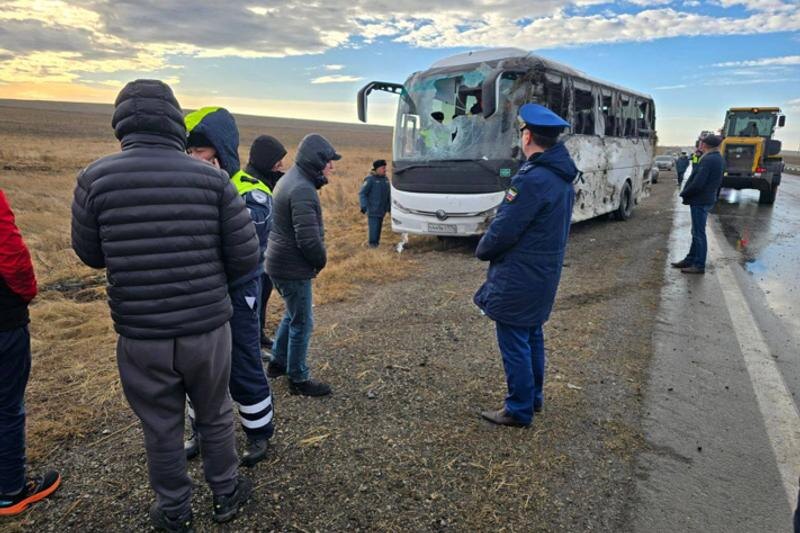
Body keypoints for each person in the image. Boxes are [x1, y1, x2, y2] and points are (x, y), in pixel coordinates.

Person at [71, 80, 256, 531]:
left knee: (160, 425)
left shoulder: (95, 178)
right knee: (214, 412)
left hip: (141, 333)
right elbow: (246, 256)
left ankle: (174, 509)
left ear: (121, 124)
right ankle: (226, 492)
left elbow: (90, 255)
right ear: (175, 121)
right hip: (207, 327)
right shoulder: (213, 179)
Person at [182, 107, 276, 468]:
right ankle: (200, 431)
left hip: (238, 293)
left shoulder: (252, 191)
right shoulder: (185, 187)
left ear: (220, 149)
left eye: (200, 150)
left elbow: (243, 248)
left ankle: (259, 431)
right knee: (197, 367)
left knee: (243, 361)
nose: (193, 158)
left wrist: (212, 191)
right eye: (188, 151)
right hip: (199, 295)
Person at [474, 103, 577, 428]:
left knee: (514, 340)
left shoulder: (532, 179)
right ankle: (533, 398)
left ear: (528, 136)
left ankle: (518, 409)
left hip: (519, 274)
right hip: (543, 272)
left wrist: (483, 249)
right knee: (531, 334)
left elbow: (505, 228)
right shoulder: (561, 177)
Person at [0, 190, 61, 516]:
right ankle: (10, 490)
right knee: (6, 405)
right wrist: (26, 292)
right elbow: (10, 251)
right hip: (3, 320)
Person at [265, 134, 341, 397]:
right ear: (316, 161)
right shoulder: (302, 189)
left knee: (292, 314)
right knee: (303, 322)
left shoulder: (292, 179)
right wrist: (321, 261)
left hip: (279, 262)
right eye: (329, 161)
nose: (332, 167)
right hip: (291, 267)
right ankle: (298, 378)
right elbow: (308, 240)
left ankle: (278, 362)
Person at [242, 135, 288, 352]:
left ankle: (259, 334)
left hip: (266, 253)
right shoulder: (250, 184)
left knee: (263, 295)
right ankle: (253, 343)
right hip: (254, 256)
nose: (281, 165)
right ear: (266, 160)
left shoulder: (266, 180)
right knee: (253, 301)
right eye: (277, 161)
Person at [672, 134, 724, 275]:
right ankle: (690, 259)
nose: (700, 145)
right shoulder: (717, 158)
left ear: (705, 144)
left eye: (701, 143)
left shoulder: (708, 159)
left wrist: (685, 193)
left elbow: (698, 182)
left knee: (698, 233)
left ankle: (699, 264)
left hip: (700, 200)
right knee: (696, 232)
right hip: (705, 198)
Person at [359, 159, 391, 247]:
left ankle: (376, 244)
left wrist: (389, 208)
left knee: (379, 228)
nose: (385, 170)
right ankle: (372, 245)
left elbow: (388, 195)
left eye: (385, 168)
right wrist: (364, 206)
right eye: (383, 168)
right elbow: (362, 193)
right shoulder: (370, 179)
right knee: (374, 228)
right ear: (377, 169)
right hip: (373, 210)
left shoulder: (386, 180)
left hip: (382, 210)